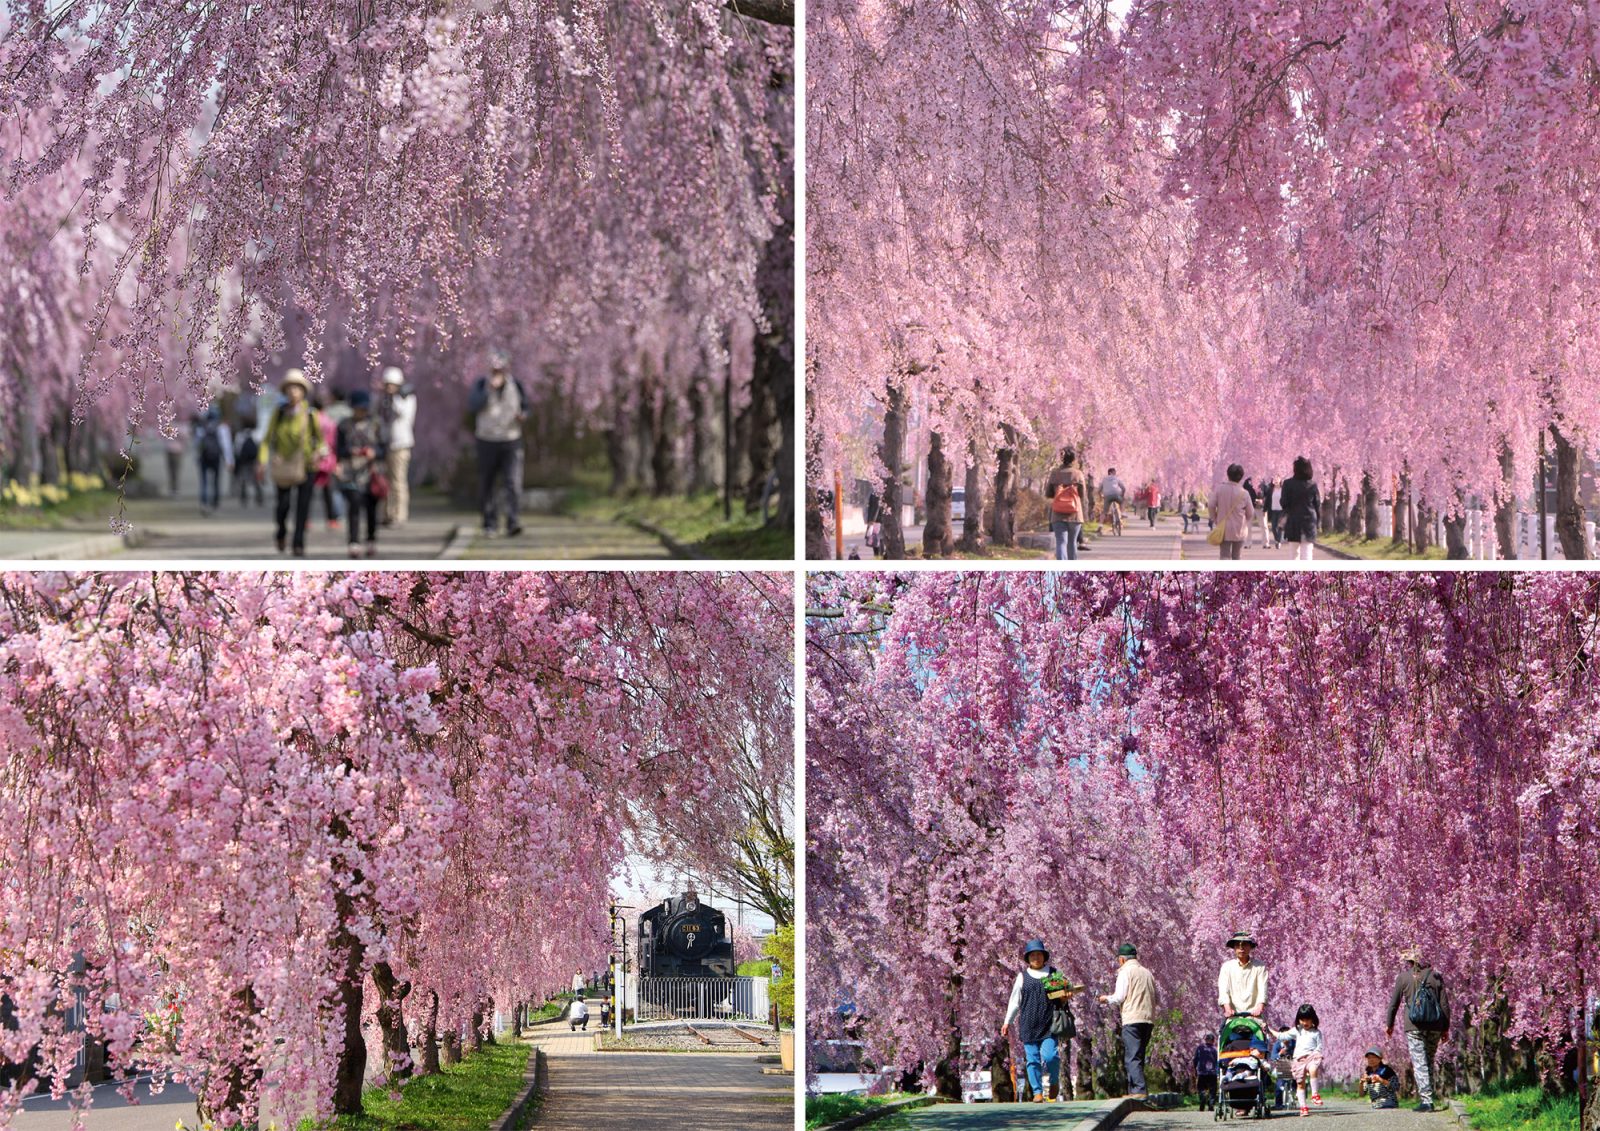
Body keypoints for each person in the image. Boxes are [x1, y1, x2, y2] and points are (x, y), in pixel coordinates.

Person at [259, 370, 326, 557]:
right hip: (284, 465)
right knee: (283, 505)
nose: (293, 391)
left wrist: (318, 453)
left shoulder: (311, 414)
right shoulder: (279, 414)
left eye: (297, 387)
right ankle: (281, 531)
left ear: (303, 391)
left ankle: (298, 543)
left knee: (303, 506)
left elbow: (321, 441)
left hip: (306, 466)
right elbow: (266, 440)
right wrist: (263, 461)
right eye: (290, 387)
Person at [468, 349, 527, 538]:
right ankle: (489, 524)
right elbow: (473, 406)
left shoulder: (516, 384)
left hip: (511, 440)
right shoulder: (480, 384)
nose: (497, 371)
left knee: (513, 483)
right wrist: (488, 391)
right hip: (486, 440)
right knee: (487, 484)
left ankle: (512, 522)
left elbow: (526, 406)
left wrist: (523, 415)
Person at [1385, 945, 1449, 1112]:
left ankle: (1427, 1101)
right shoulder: (1436, 977)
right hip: (1435, 1024)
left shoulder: (1403, 978)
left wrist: (1389, 1024)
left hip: (1414, 1025)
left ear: (1410, 961)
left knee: (1420, 1062)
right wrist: (1445, 1028)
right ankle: (1429, 1097)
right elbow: (1444, 1004)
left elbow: (1394, 1004)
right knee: (1429, 1060)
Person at [1000, 939, 1064, 1103]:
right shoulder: (1022, 977)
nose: (1036, 957)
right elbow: (1015, 1001)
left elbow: (1062, 996)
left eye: (1039, 954)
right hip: (1028, 1024)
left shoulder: (1053, 973)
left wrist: (1066, 995)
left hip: (1049, 1024)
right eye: (1032, 955)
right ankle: (1037, 1091)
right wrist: (1007, 1021)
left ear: (1044, 956)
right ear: (1028, 958)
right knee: (1032, 1060)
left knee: (1051, 1057)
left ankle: (1054, 1081)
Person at [1097, 942, 1157, 1101]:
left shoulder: (1125, 972)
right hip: (1148, 1019)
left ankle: (1139, 1090)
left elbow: (1119, 997)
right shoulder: (1147, 973)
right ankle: (1135, 1089)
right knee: (1139, 1055)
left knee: (1132, 1056)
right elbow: (1156, 998)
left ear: (1122, 959)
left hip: (1132, 1018)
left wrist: (1105, 999)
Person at [335, 390, 387, 558]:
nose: (361, 412)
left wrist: (374, 452)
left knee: (371, 509)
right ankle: (353, 542)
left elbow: (383, 449)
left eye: (363, 409)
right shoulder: (344, 425)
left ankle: (371, 539)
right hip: (351, 472)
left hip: (371, 472)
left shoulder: (376, 424)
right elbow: (339, 449)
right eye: (358, 409)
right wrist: (352, 451)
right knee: (354, 507)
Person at [1270, 1003, 1325, 1117]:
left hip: (1311, 1057)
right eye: (1302, 1020)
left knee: (1313, 1069)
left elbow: (1319, 1046)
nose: (1305, 1023)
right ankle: (1303, 1107)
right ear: (1299, 1020)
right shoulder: (1297, 1030)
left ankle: (1315, 1094)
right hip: (1299, 1060)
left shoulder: (1316, 1032)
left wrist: (1316, 1054)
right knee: (1300, 1084)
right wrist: (1269, 1030)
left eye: (1308, 1019)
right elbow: (1282, 1036)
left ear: (1313, 1019)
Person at [378, 367, 417, 526]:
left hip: (401, 445)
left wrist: (394, 398)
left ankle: (400, 515)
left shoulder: (407, 398)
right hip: (387, 444)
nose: (389, 388)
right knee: (386, 482)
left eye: (392, 385)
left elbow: (402, 413)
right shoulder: (384, 400)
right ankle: (387, 513)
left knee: (398, 481)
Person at [1046, 448, 1088, 562]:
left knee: (1061, 542)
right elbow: (1083, 494)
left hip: (1058, 513)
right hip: (1075, 514)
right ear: (1074, 459)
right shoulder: (1078, 474)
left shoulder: (1054, 473)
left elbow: (1048, 493)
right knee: (1072, 542)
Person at [310, 390, 343, 529]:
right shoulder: (330, 421)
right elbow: (335, 442)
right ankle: (332, 519)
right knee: (328, 491)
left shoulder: (311, 420)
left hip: (313, 458)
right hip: (328, 458)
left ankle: (306, 519)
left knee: (309, 491)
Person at [1210, 464, 1256, 561]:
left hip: (1223, 528)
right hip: (1239, 528)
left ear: (1228, 475)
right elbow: (1251, 512)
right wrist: (1245, 519)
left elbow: (1211, 505)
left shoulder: (1219, 489)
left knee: (1224, 555)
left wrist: (1215, 518)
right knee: (1237, 556)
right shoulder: (1244, 493)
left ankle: (1225, 574)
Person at [1279, 456, 1321, 562]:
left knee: (1293, 553)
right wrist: (1318, 522)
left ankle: (1294, 576)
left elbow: (1284, 503)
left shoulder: (1288, 484)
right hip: (1309, 521)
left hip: (1294, 520)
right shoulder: (1312, 485)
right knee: (1307, 552)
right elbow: (1317, 504)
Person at [1218, 930, 1268, 1018]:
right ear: (1234, 948)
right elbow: (1223, 990)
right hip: (1233, 1015)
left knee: (1263, 1031)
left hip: (1254, 1015)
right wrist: (1227, 1008)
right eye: (1238, 945)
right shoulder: (1227, 967)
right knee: (1224, 1031)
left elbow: (1262, 988)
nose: (1241, 948)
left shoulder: (1260, 966)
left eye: (1244, 945)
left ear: (1250, 947)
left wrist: (1260, 1007)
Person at [194, 407, 233, 514]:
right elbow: (226, 446)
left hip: (204, 457)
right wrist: (229, 461)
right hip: (216, 457)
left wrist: (196, 457)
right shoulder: (222, 428)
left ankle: (204, 502)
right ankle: (215, 502)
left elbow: (197, 444)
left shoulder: (202, 428)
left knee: (204, 482)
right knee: (215, 481)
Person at [233, 420, 262, 507]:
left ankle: (244, 498)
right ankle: (259, 497)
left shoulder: (240, 435)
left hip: (244, 461)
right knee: (255, 480)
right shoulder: (256, 434)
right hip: (253, 461)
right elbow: (259, 447)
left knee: (243, 480)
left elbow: (237, 449)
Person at [1194, 1034, 1218, 1112]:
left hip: (1202, 1072)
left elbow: (1195, 1059)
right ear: (1213, 1040)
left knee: (1201, 1088)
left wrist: (1195, 1069)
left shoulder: (1200, 1048)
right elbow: (1218, 1061)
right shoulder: (1215, 1049)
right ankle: (1211, 1104)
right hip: (1212, 1073)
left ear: (1205, 1039)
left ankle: (1203, 1097)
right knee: (1212, 1089)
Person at [1100, 467, 1126, 534]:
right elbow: (1123, 488)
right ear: (1111, 472)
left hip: (1107, 496)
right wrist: (1122, 495)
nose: (1115, 473)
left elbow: (1099, 489)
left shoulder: (1104, 479)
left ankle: (1100, 526)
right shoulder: (1117, 478)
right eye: (1114, 472)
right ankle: (1122, 513)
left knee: (1104, 512)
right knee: (1122, 501)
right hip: (1116, 495)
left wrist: (1101, 496)